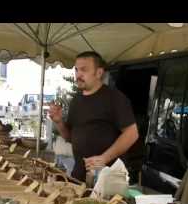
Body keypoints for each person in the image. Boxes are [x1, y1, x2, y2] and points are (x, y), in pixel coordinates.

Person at [49, 51, 139, 182]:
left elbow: (132, 134)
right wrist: (59, 122)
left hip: (107, 179)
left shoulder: (115, 98)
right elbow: (70, 137)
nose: (78, 74)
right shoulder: (76, 101)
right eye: (76, 70)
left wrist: (104, 158)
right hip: (79, 176)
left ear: (99, 73)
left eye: (84, 70)